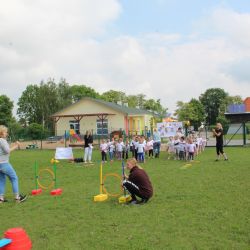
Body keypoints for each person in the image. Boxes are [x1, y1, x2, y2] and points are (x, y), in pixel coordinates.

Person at [0, 125, 27, 203]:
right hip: (4, 164)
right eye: (5, 132)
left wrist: (13, 144)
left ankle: (0, 198)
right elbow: (7, 151)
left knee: (1, 181)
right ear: (1, 133)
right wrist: (16, 145)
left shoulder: (1, 140)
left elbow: (4, 150)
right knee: (14, 178)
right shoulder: (2, 140)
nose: (7, 133)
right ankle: (17, 197)